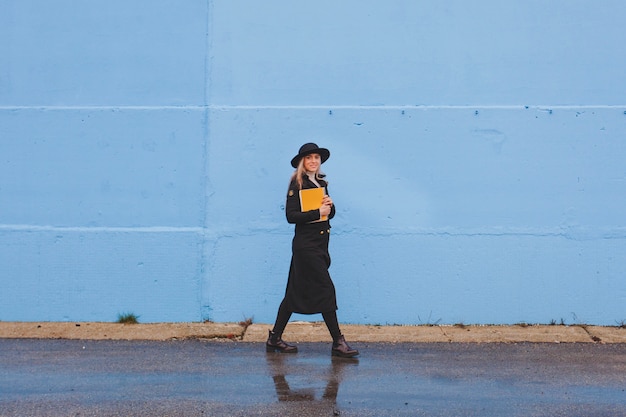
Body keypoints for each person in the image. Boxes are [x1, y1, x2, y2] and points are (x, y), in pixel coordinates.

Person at [266, 143, 359, 358]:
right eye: (309, 158)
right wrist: (318, 211)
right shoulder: (296, 183)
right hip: (306, 246)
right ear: (302, 161)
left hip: (320, 245)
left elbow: (328, 214)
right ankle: (338, 341)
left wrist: (330, 205)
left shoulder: (321, 182)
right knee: (326, 289)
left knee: (292, 293)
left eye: (316, 157)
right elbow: (291, 217)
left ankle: (274, 338)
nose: (314, 161)